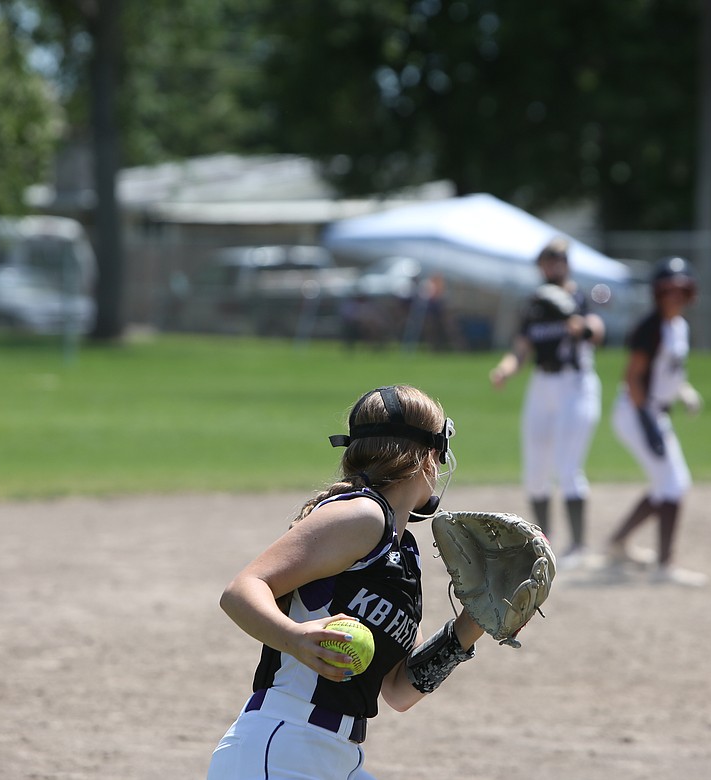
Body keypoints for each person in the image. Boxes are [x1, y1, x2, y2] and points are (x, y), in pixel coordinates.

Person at [206, 385, 483, 780]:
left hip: (338, 758)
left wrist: (475, 622)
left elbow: (400, 688)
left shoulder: (405, 553)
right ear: (426, 455)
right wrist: (295, 637)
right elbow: (242, 590)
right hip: (283, 747)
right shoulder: (363, 516)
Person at [489, 237, 606, 568]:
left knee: (568, 467)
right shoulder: (535, 303)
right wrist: (505, 370)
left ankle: (580, 547)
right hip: (542, 384)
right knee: (535, 470)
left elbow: (597, 331)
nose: (552, 265)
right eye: (547, 260)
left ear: (567, 263)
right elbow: (521, 348)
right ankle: (545, 545)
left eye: (558, 259)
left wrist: (575, 320)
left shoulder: (579, 297)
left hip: (575, 383)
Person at [606, 256, 707, 587]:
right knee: (673, 485)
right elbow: (633, 378)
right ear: (658, 293)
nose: (675, 296)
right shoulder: (651, 328)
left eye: (681, 290)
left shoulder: (680, 327)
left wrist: (685, 392)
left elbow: (671, 373)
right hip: (637, 411)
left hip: (651, 411)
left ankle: (617, 543)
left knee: (668, 483)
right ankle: (666, 565)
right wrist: (647, 423)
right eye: (669, 290)